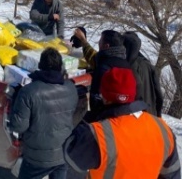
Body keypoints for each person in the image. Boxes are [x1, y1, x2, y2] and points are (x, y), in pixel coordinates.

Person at [63, 67, 180, 179]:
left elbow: (68, 169)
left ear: (104, 96)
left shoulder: (95, 135)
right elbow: (172, 174)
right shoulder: (163, 129)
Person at [10, 47, 79, 179]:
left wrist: (15, 102)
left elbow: (18, 126)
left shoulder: (29, 92)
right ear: (60, 67)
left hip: (37, 157)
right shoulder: (71, 88)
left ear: (40, 66)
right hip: (63, 152)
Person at [72, 29, 131, 122]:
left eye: (100, 41)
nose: (98, 43)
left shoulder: (104, 67)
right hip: (122, 115)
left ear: (106, 46)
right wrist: (84, 41)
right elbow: (93, 57)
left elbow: (97, 97)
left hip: (105, 118)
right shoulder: (125, 63)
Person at [123, 31, 163, 117]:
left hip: (135, 116)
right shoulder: (149, 65)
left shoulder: (128, 65)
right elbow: (159, 96)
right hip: (151, 115)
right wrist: (158, 115)